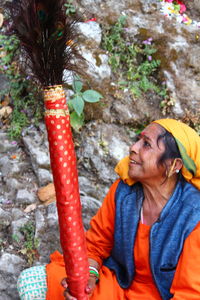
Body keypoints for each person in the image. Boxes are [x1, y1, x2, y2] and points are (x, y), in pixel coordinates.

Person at [17, 118, 200, 300]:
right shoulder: (124, 191)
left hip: (163, 296)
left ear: (174, 165)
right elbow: (96, 245)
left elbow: (189, 294)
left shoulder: (194, 216)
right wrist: (87, 278)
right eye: (138, 140)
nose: (133, 148)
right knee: (35, 282)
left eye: (146, 144)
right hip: (118, 285)